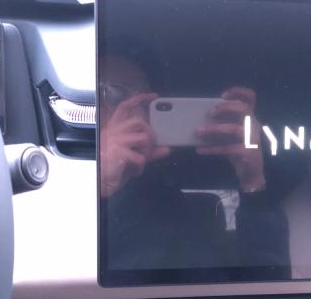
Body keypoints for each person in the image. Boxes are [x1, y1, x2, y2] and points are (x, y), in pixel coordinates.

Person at [99, 55, 291, 281]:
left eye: (144, 103)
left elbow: (266, 290)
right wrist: (99, 188)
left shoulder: (181, 217)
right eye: (116, 94)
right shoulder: (62, 187)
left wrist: (253, 183)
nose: (134, 112)